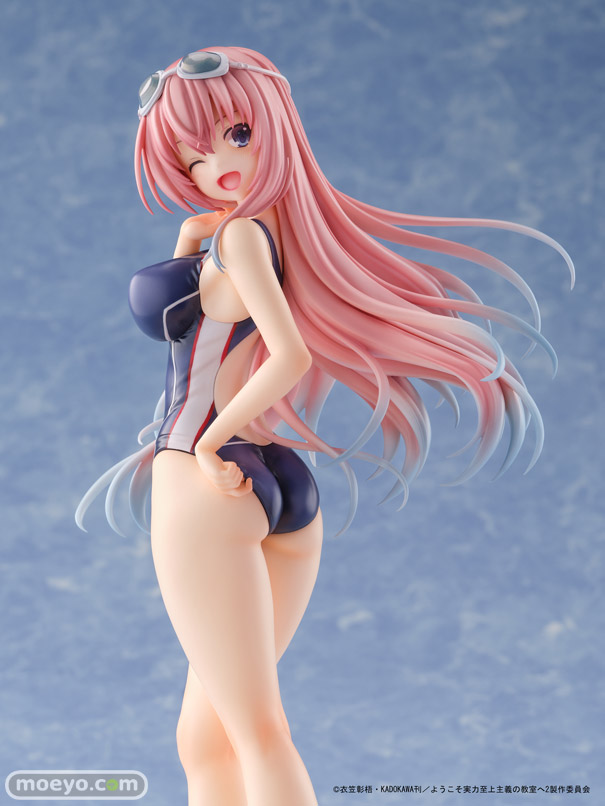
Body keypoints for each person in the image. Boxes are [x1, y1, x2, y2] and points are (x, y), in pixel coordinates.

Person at [76, 46, 573, 806]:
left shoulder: (241, 237)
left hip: (206, 474)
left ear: (274, 123)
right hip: (280, 480)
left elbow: (287, 354)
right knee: (208, 738)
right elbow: (213, 322)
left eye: (236, 135)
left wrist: (206, 443)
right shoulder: (274, 229)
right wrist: (188, 246)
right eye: (194, 156)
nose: (217, 165)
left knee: (254, 733)